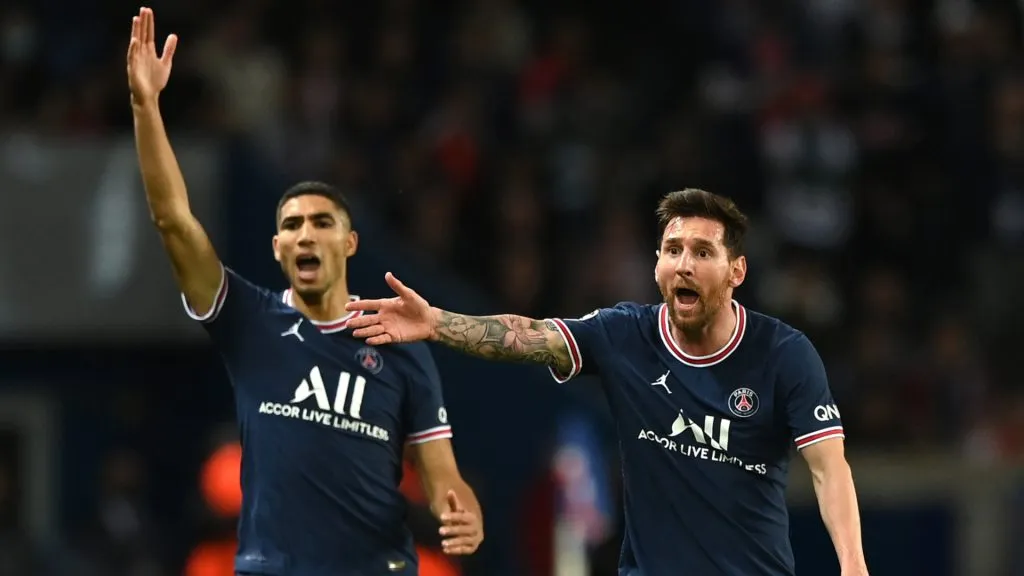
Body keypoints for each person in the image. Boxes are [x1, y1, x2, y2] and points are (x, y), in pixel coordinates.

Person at [125, 7, 483, 575]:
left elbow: (442, 479)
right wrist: (147, 106)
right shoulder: (248, 318)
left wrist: (460, 512)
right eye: (291, 226)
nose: (304, 234)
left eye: (321, 222)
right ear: (276, 248)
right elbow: (173, 219)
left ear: (350, 243)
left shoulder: (398, 342)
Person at [346, 188, 869, 576]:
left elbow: (829, 471)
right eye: (673, 249)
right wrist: (437, 322)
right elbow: (528, 335)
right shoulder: (624, 335)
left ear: (737, 271)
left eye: (703, 253)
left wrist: (853, 566)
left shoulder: (784, 355)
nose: (684, 265)